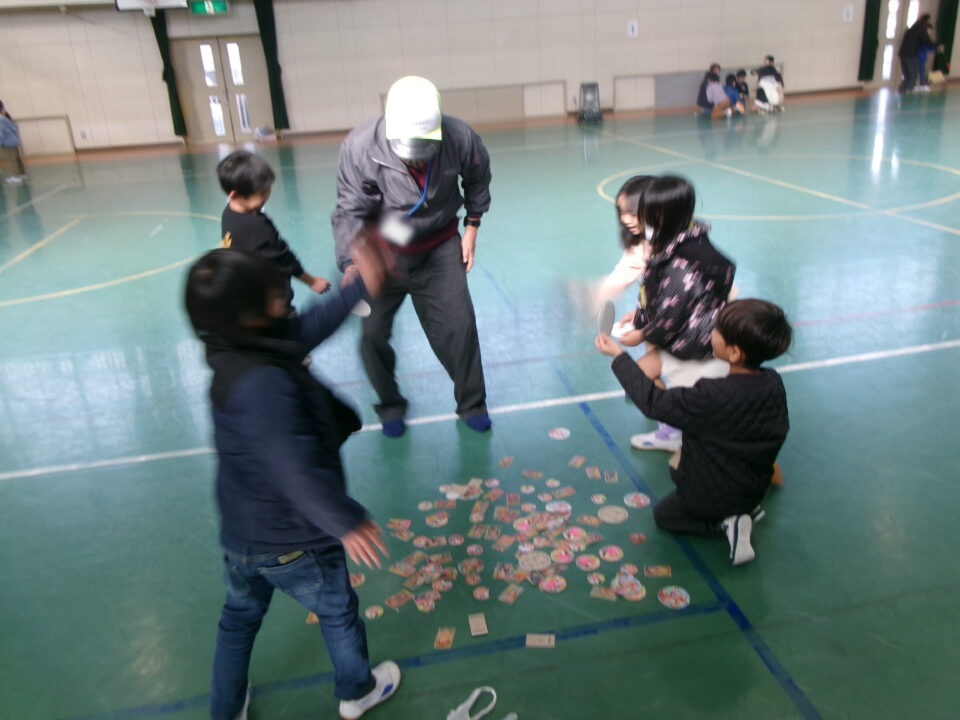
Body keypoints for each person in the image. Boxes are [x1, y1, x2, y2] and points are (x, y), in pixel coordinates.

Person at [184, 242, 401, 720]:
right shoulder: (263, 386)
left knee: (238, 619)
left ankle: (226, 709)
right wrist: (344, 521)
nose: (283, 295)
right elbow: (293, 471)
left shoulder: (238, 346)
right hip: (295, 539)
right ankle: (357, 690)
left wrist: (358, 288)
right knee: (336, 609)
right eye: (272, 293)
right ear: (249, 316)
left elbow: (308, 328)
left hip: (242, 535)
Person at [331, 75, 492, 438]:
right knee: (371, 336)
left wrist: (472, 226)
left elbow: (478, 178)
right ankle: (390, 405)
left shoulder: (460, 137)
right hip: (382, 254)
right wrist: (351, 262)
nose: (416, 156)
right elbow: (349, 210)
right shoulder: (359, 148)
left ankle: (472, 404)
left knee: (460, 329)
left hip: (439, 248)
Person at [596, 298, 792, 566]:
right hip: (754, 486)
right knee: (689, 459)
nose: (711, 332)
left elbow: (653, 402)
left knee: (665, 514)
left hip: (714, 496)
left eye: (718, 330)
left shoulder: (711, 395)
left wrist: (619, 357)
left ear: (735, 353)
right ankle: (745, 509)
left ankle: (727, 524)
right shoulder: (773, 382)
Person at [616, 176, 735, 452]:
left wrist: (641, 334)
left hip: (692, 346)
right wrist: (639, 313)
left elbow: (671, 315)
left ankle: (677, 433)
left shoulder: (681, 262)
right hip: (690, 338)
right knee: (640, 377)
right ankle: (675, 426)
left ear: (662, 214)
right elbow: (668, 297)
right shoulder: (683, 239)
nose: (633, 220)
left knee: (644, 382)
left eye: (641, 212)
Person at [217, 150, 331, 314]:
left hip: (244, 296)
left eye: (268, 189)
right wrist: (312, 281)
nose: (267, 196)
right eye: (261, 193)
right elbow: (284, 259)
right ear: (234, 195)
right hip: (269, 302)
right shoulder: (258, 226)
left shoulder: (228, 213)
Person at [594, 175, 656, 309]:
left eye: (633, 214)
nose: (626, 220)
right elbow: (623, 273)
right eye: (622, 213)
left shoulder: (680, 244)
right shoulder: (641, 244)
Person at [898, 16, 936, 94]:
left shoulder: (911, 30)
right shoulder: (920, 30)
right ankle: (909, 90)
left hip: (904, 54)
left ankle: (903, 89)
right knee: (913, 75)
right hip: (912, 56)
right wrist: (937, 46)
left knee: (908, 75)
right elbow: (927, 43)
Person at [0, 100, 26, 183]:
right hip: (13, 141)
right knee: (17, 158)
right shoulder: (6, 119)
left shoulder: (1, 120)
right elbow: (14, 128)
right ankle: (22, 174)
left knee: (12, 160)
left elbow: (1, 134)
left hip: (7, 143)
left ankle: (16, 176)